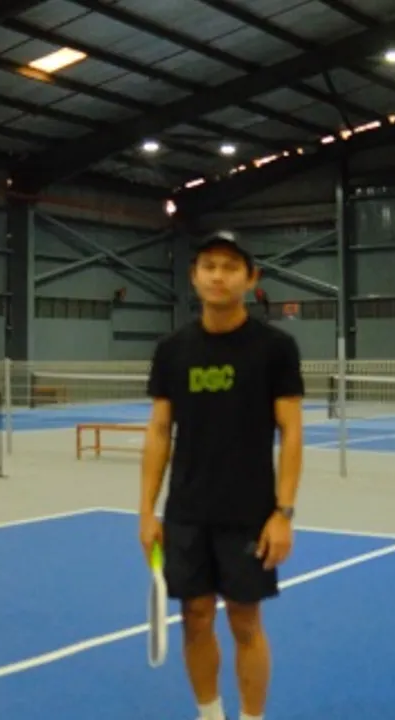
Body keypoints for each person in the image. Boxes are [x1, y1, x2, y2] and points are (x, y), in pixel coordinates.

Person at [139, 231, 305, 720]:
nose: (218, 275)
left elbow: (292, 432)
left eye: (231, 267)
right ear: (194, 276)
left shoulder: (276, 348)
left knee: (244, 621)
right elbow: (160, 431)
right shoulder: (172, 350)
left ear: (251, 279)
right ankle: (209, 715)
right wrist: (147, 512)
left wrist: (283, 513)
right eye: (209, 266)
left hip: (249, 513)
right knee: (194, 619)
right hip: (187, 512)